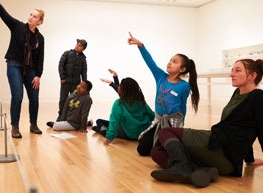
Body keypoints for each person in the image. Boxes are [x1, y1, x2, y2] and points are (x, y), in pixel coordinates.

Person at [149, 59, 263, 188]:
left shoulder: (258, 97)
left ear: (252, 76)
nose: (231, 74)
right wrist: (250, 159)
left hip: (223, 151)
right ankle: (199, 171)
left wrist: (249, 160)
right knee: (157, 151)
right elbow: (244, 129)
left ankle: (183, 167)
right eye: (232, 70)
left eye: (237, 71)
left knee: (165, 132)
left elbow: (260, 129)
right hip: (218, 147)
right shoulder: (238, 93)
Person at [127, 32, 199, 156]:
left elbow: (182, 107)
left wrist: (179, 128)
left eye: (174, 62)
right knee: (142, 149)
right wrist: (140, 46)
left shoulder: (184, 86)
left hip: (172, 123)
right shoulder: (160, 77)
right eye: (170, 60)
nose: (170, 62)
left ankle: (178, 143)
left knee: (164, 150)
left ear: (182, 69)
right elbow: (150, 63)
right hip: (158, 121)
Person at [0, 0, 45, 138]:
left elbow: (40, 59)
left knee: (34, 97)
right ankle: (15, 127)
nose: (31, 17)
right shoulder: (18, 27)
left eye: (34, 16)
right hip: (14, 65)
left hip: (31, 69)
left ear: (39, 21)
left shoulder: (40, 38)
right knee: (17, 96)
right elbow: (5, 16)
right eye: (30, 14)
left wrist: (38, 75)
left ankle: (33, 124)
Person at [92, 77, 155, 145]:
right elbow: (152, 116)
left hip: (131, 134)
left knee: (99, 121)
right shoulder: (141, 101)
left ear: (122, 90)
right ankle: (103, 129)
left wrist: (109, 138)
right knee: (115, 124)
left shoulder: (118, 103)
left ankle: (103, 131)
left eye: (120, 86)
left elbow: (114, 123)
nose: (118, 87)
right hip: (146, 132)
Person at [57, 39, 88, 121]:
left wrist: (85, 85)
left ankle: (71, 117)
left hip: (76, 84)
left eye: (80, 45)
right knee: (63, 99)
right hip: (65, 82)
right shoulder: (67, 53)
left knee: (74, 100)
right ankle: (60, 116)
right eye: (77, 44)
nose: (77, 46)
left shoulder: (83, 59)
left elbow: (84, 72)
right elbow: (61, 65)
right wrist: (62, 77)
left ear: (83, 49)